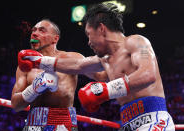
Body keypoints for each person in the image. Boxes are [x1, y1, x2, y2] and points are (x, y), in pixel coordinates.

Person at [17, 3, 175, 131]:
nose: (88, 42)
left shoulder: (136, 42)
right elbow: (77, 64)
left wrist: (106, 90)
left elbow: (148, 75)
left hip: (154, 120)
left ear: (101, 29)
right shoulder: (105, 60)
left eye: (88, 34)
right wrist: (40, 61)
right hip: (128, 124)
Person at [12, 19, 108, 131]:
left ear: (55, 39)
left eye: (42, 30)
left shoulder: (71, 58)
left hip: (63, 124)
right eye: (34, 30)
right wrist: (34, 89)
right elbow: (15, 105)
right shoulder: (25, 66)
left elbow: (102, 76)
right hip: (33, 125)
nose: (34, 33)